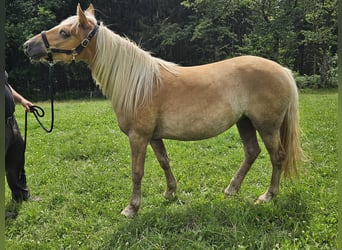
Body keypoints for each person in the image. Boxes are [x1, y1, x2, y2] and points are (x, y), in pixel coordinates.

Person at [5, 70, 34, 203]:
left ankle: (20, 195)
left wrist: (21, 100)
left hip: (10, 121)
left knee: (15, 159)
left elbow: (6, 84)